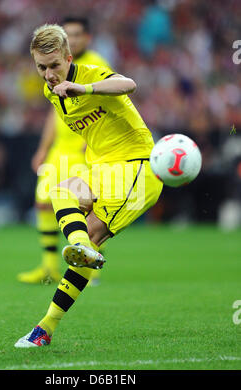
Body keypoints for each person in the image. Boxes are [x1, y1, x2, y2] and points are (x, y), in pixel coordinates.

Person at [15, 23, 163, 348]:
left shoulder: (91, 73)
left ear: (68, 57)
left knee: (92, 235)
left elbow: (129, 84)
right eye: (42, 67)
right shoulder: (49, 93)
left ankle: (44, 329)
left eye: (55, 65)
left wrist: (86, 89)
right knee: (61, 191)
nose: (50, 74)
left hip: (137, 168)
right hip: (104, 167)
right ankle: (79, 248)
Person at [17, 17, 111, 286]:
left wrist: (95, 140)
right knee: (43, 202)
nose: (74, 39)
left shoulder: (95, 63)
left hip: (84, 145)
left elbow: (109, 101)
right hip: (60, 148)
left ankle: (91, 266)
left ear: (86, 38)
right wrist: (43, 148)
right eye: (68, 34)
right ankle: (48, 267)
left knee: (86, 205)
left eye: (77, 34)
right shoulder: (52, 69)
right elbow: (54, 112)